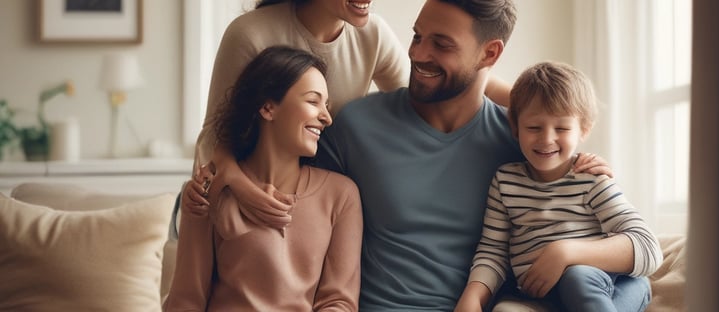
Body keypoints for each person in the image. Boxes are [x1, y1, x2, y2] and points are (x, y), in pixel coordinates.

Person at [186, 0, 613, 310]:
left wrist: (556, 138)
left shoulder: (521, 141)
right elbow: (288, 240)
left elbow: (597, 231)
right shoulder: (352, 125)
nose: (417, 53)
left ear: (490, 53)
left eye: (440, 44)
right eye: (416, 36)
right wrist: (231, 191)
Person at [182, 0, 516, 225]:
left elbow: (437, 85)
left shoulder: (371, 34)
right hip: (233, 198)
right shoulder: (251, 33)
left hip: (303, 206)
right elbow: (215, 134)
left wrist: (544, 108)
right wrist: (244, 190)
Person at [163, 46, 363, 311]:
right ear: (268, 107)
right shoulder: (208, 191)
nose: (326, 117)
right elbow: (187, 300)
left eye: (326, 106)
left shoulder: (341, 195)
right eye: (313, 101)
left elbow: (339, 302)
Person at [455, 61, 664, 312]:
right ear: (515, 127)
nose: (547, 139)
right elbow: (493, 251)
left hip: (612, 285)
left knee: (577, 278)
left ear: (583, 130)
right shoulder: (505, 181)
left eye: (562, 128)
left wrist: (564, 252)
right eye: (533, 127)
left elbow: (648, 248)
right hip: (542, 298)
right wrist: (473, 297)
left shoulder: (590, 178)